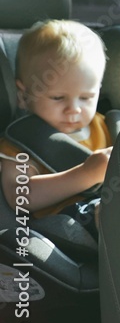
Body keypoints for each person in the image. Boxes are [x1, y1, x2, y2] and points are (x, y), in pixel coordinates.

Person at [0, 20, 111, 228]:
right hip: (66, 223)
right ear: (23, 95)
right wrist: (85, 174)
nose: (74, 109)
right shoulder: (21, 142)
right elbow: (20, 197)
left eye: (86, 97)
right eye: (58, 98)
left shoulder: (105, 126)